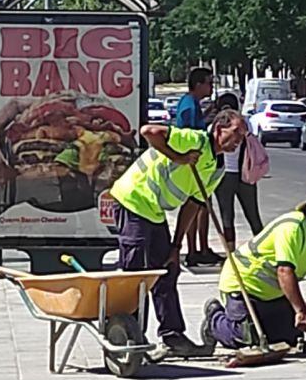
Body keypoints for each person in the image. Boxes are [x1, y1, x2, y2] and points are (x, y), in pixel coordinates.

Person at [110, 109, 247, 356]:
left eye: (243, 136)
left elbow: (193, 205)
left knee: (167, 270)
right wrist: (178, 157)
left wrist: (176, 246)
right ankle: (130, 337)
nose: (239, 140)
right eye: (236, 133)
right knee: (134, 274)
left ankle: (172, 336)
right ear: (218, 129)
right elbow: (149, 132)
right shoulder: (194, 140)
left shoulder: (217, 169)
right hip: (133, 199)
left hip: (153, 211)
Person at [202, 184, 306, 350]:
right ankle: (214, 319)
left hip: (273, 295)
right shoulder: (292, 228)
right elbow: (284, 271)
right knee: (245, 338)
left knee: (290, 337)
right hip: (244, 284)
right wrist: (301, 311)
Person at [174, 67, 223, 266]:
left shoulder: (192, 104)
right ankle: (194, 249)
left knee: (200, 207)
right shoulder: (189, 106)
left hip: (197, 163)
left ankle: (199, 248)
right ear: (198, 84)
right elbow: (190, 135)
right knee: (197, 207)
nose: (211, 87)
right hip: (195, 164)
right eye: (209, 83)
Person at [212, 92, 264, 246]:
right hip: (245, 174)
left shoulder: (216, 126)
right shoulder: (244, 124)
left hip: (223, 175)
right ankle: (264, 248)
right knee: (253, 215)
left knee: (227, 217)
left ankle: (231, 252)